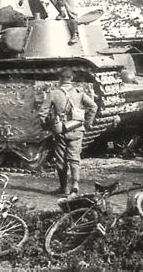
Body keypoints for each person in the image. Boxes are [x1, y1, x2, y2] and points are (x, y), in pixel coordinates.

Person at [38, 68, 98, 196]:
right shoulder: (79, 92)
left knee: (61, 160)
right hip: (77, 129)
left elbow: (42, 113)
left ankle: (63, 188)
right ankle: (75, 187)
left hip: (61, 131)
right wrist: (88, 123)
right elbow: (93, 106)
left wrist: (47, 127)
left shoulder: (53, 93)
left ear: (60, 78)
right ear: (71, 79)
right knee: (75, 158)